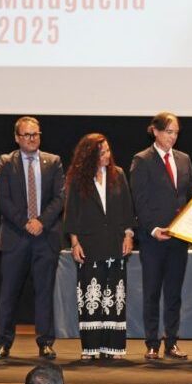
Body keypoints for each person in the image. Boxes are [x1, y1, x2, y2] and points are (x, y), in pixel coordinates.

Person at [0, 116, 66, 360]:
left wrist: (40, 222)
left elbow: (59, 198)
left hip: (45, 237)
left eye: (35, 134)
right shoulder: (6, 162)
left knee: (45, 292)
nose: (32, 138)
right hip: (15, 236)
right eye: (26, 135)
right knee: (9, 292)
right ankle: (3, 342)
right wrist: (25, 222)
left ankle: (45, 342)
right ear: (17, 137)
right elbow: (2, 199)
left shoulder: (53, 161)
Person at [129, 112, 192, 361]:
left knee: (173, 293)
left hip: (178, 237)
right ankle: (151, 343)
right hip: (153, 238)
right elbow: (139, 200)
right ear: (155, 131)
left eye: (176, 132)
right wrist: (152, 229)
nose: (173, 137)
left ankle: (172, 341)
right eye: (169, 132)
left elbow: (191, 194)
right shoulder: (142, 160)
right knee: (152, 292)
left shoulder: (184, 159)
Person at [64, 134, 136, 360]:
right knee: (90, 296)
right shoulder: (77, 179)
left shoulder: (119, 175)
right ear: (90, 155)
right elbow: (72, 214)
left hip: (115, 243)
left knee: (114, 296)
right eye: (102, 152)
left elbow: (127, 209)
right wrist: (74, 242)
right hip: (89, 244)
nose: (107, 155)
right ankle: (91, 348)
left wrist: (128, 235)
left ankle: (113, 348)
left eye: (107, 150)